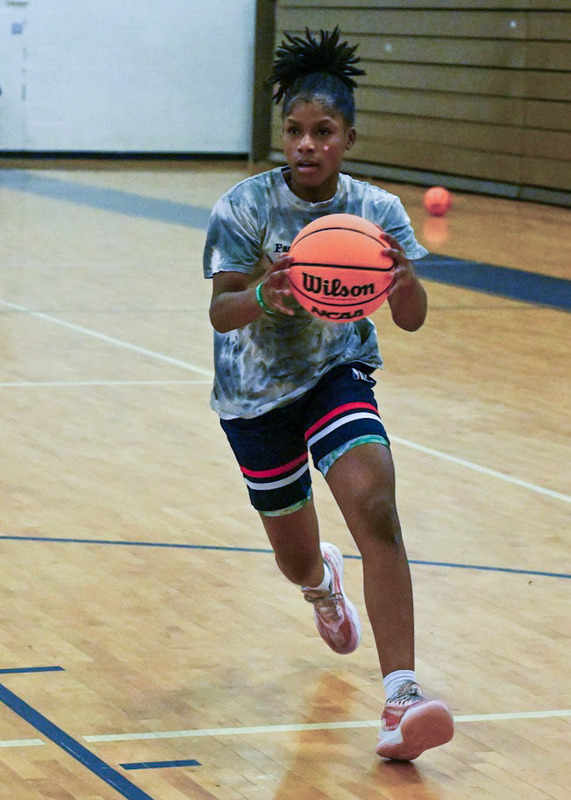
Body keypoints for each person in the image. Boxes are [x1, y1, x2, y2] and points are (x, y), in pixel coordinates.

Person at [203, 26, 454, 761]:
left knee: (375, 504)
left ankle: (401, 697)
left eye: (322, 131)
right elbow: (220, 310)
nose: (306, 144)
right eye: (294, 130)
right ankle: (321, 586)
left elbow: (408, 320)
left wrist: (405, 284)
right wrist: (265, 293)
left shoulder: (377, 213)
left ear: (347, 137)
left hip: (335, 374)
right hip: (253, 395)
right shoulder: (243, 208)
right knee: (293, 556)